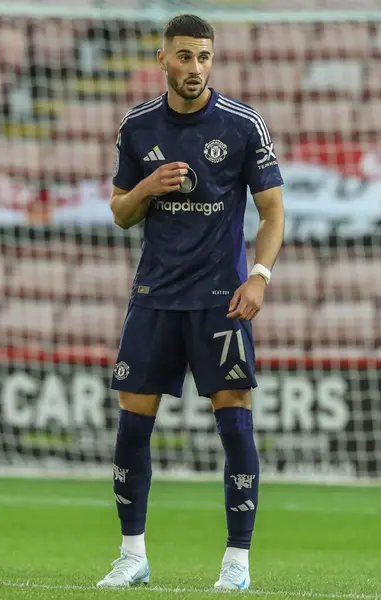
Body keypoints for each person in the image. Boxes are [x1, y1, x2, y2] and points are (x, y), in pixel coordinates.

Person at [97, 13, 285, 591]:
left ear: (213, 59)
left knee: (234, 423)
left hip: (219, 301)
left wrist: (258, 276)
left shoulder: (241, 124)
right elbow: (120, 213)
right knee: (132, 425)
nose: (195, 68)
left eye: (204, 57)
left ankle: (237, 562)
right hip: (153, 297)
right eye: (184, 56)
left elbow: (273, 211)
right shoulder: (136, 126)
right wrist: (148, 187)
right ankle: (132, 555)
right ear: (163, 60)